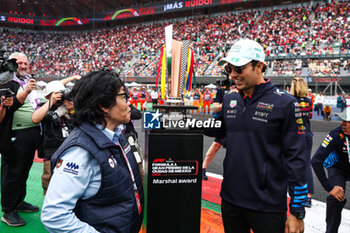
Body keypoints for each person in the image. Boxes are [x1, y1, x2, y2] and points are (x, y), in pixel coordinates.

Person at [217, 39, 307, 233]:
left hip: (267, 207)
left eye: (239, 68)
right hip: (230, 201)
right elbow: (221, 136)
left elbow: (298, 160)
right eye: (229, 68)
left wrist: (297, 211)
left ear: (259, 67)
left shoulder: (286, 104)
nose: (233, 75)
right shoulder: (230, 98)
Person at [41, 70, 144, 233]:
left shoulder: (116, 135)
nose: (129, 103)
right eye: (124, 96)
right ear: (104, 105)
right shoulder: (80, 152)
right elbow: (54, 215)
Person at [0, 52, 41, 227]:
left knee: (24, 170)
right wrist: (26, 91)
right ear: (11, 65)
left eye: (25, 63)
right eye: (19, 63)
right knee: (12, 172)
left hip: (30, 133)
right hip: (14, 134)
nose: (23, 66)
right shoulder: (6, 83)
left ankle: (19, 201)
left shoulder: (25, 82)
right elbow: (8, 107)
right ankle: (8, 210)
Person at [31, 79, 77, 195]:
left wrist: (71, 109)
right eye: (55, 94)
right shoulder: (44, 106)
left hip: (69, 148)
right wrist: (51, 102)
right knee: (49, 179)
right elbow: (35, 119)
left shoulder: (68, 105)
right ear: (48, 96)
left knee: (70, 180)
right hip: (51, 151)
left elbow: (79, 122)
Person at [311, 107, 350, 233]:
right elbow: (316, 160)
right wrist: (329, 188)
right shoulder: (335, 134)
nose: (343, 123)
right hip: (338, 168)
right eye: (342, 119)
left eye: (348, 121)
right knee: (335, 198)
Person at [290, 77, 314, 207]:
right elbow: (309, 116)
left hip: (295, 135)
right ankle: (308, 197)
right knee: (307, 165)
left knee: (290, 162)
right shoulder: (309, 101)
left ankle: (294, 193)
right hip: (307, 134)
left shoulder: (291, 101)